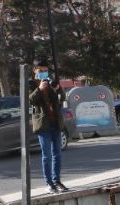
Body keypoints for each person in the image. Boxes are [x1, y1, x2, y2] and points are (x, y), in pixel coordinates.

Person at [29, 59, 69, 193]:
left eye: (46, 70)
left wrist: (57, 88)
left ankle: (57, 181)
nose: (44, 73)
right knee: (47, 155)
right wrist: (39, 89)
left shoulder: (51, 82)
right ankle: (49, 183)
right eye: (41, 71)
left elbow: (62, 98)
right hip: (43, 125)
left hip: (55, 123)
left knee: (57, 154)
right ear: (35, 71)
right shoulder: (31, 84)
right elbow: (30, 100)